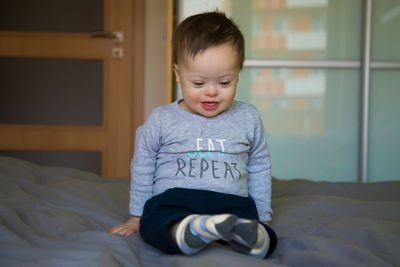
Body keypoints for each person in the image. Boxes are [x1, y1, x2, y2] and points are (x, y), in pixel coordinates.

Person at [109, 11, 277, 259]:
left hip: (230, 203)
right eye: (198, 83)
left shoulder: (248, 117)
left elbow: (259, 166)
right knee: (154, 223)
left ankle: (252, 236)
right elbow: (143, 165)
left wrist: (263, 216)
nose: (211, 92)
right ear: (178, 74)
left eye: (225, 82)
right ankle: (189, 231)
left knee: (262, 231)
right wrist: (137, 216)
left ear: (238, 73)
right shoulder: (162, 119)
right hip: (176, 200)